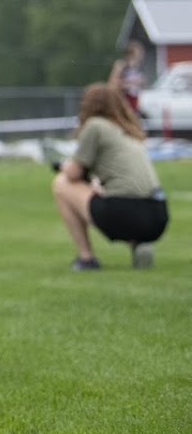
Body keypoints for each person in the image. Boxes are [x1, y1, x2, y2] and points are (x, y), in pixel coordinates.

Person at [51, 82, 169, 270]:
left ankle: (86, 257)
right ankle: (138, 243)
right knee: (103, 190)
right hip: (157, 214)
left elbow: (73, 174)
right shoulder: (129, 130)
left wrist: (63, 165)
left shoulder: (95, 126)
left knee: (61, 183)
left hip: (124, 210)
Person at [108, 39, 146, 113]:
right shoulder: (121, 65)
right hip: (123, 99)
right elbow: (113, 83)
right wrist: (131, 82)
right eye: (139, 52)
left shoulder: (138, 68)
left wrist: (140, 82)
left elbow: (140, 85)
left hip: (134, 100)